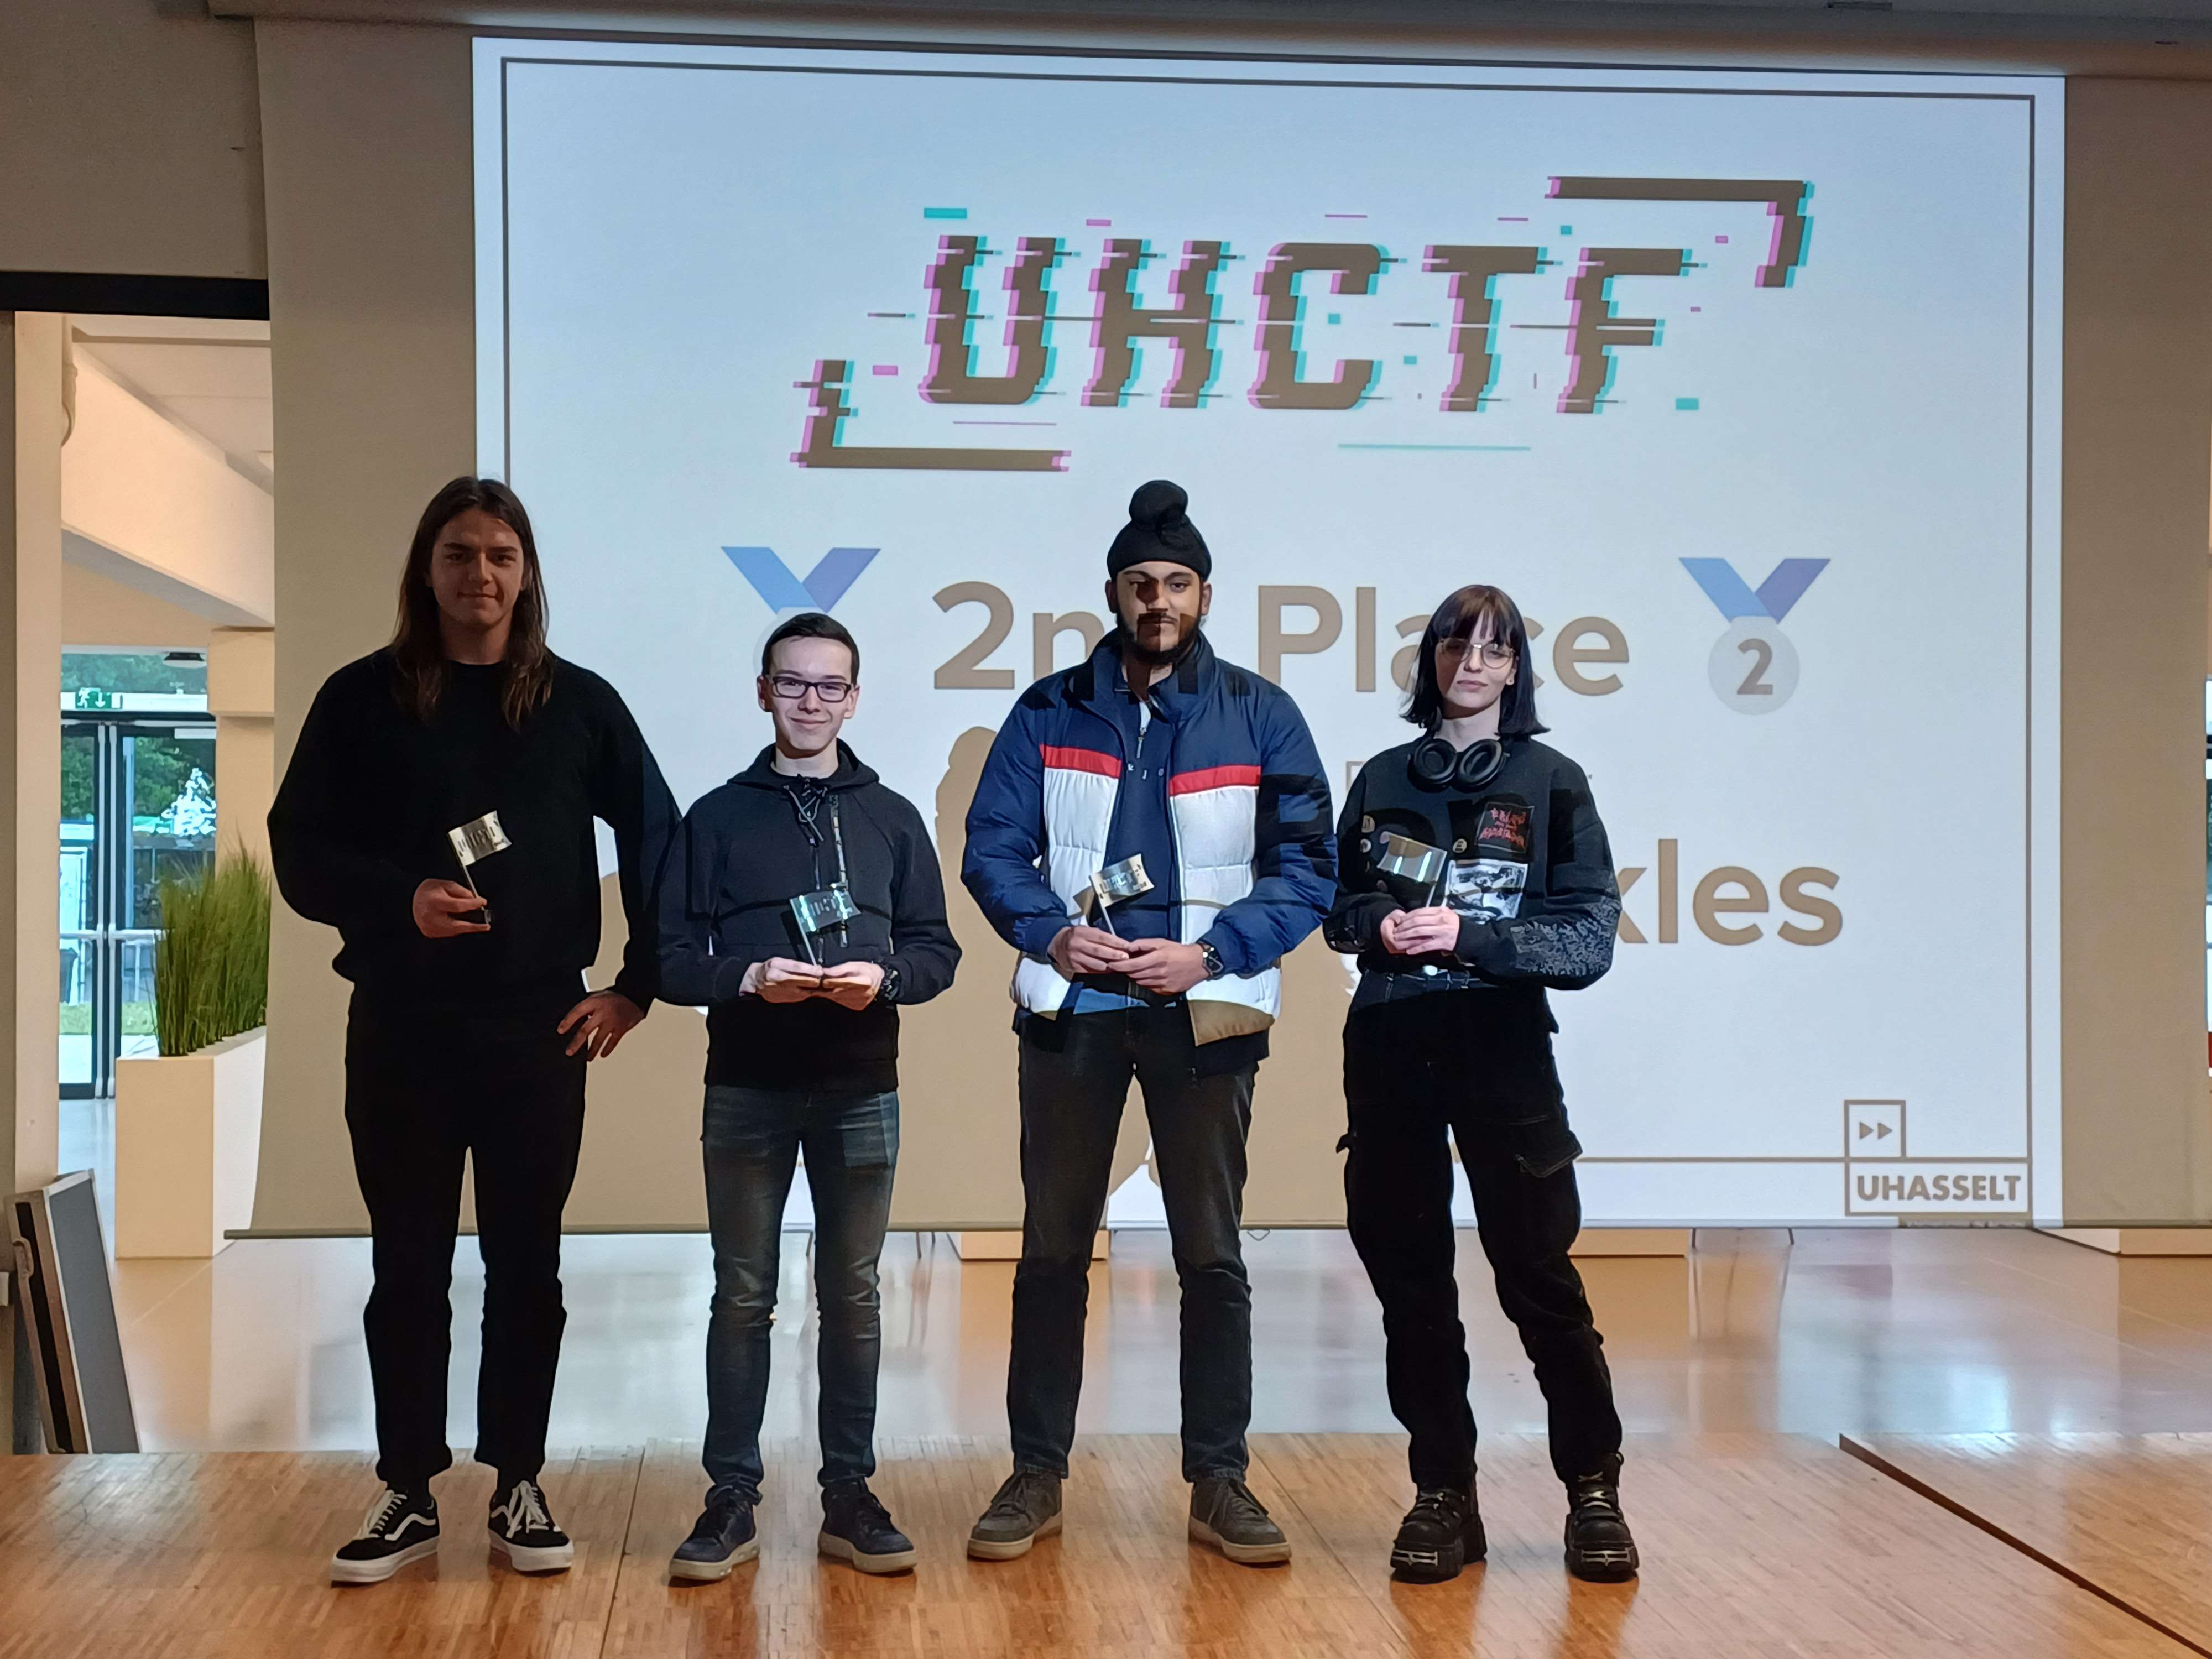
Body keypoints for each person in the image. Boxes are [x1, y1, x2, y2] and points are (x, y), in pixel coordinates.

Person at [269, 476, 678, 1586]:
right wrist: (396, 898)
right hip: (401, 1026)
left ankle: (518, 1484)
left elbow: (658, 836)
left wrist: (636, 987)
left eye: (500, 555)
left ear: (526, 572)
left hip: (536, 1029)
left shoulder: (579, 704)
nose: (480, 575)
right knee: (405, 1263)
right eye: (459, 554)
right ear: (427, 568)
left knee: (526, 1266)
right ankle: (406, 1489)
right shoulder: (361, 698)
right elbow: (299, 848)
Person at [961, 479, 1335, 1567]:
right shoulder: (1047, 711)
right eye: (1140, 583)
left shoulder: (1261, 715)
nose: (1157, 600)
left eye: (1176, 583)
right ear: (1114, 593)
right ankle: (1035, 1475)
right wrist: (1051, 935)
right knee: (1050, 1251)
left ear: (1203, 595)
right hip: (1075, 1010)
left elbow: (1307, 866)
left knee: (1211, 1256)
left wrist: (1211, 952)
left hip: (1204, 1012)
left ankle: (1219, 1480)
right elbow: (992, 848)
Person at [1323, 583, 1637, 1584]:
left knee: (1539, 1280)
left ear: (1516, 670)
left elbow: (1589, 938)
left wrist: (1477, 937)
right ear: (1431, 661)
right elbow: (1337, 906)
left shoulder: (1554, 781)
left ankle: (1593, 1491)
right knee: (1412, 1288)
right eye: (1456, 645)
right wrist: (1374, 925)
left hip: (1502, 1046)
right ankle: (1442, 1494)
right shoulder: (1382, 777)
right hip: (1391, 1043)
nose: (1472, 664)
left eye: (1494, 650)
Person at [655, 612, 959, 1580]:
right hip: (747, 1088)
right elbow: (669, 958)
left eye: (830, 686)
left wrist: (889, 979)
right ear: (763, 692)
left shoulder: (892, 817)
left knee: (853, 1296)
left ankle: (849, 1495)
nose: (811, 701)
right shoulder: (715, 818)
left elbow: (937, 951)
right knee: (743, 1295)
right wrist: (747, 978)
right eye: (793, 683)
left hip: (860, 1088)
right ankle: (730, 1498)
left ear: (855, 699)